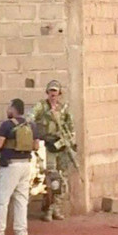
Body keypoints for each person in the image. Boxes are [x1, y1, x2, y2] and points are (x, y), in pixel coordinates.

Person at [0, 99, 39, 235]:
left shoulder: (7, 125)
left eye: (9, 107)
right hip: (26, 165)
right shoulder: (31, 125)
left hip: (10, 166)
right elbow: (36, 146)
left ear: (13, 109)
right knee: (21, 200)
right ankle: (21, 234)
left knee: (1, 200)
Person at [32, 80, 76, 221]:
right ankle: (48, 210)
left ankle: (55, 208)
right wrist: (36, 137)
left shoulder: (63, 109)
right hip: (47, 147)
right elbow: (31, 118)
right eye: (51, 91)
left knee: (62, 179)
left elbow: (71, 128)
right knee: (51, 178)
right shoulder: (42, 107)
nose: (53, 94)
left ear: (59, 93)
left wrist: (70, 143)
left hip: (61, 148)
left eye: (55, 91)